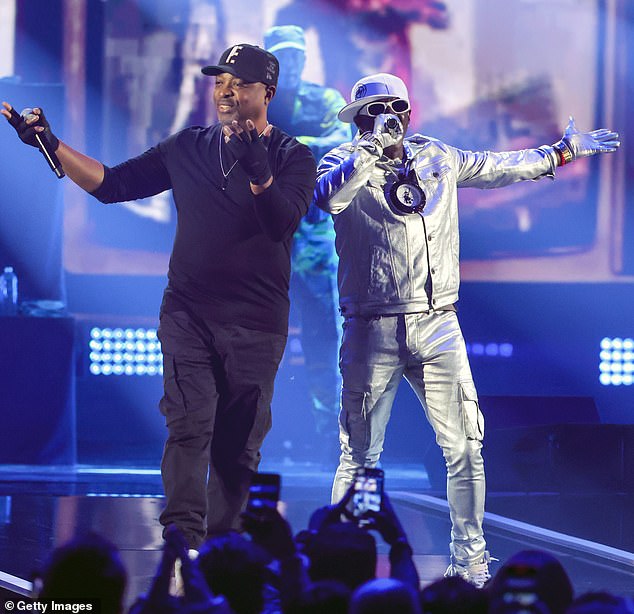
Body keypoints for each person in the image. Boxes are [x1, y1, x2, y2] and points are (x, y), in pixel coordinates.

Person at [2, 43, 316, 550]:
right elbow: (112, 184)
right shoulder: (188, 146)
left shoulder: (293, 157)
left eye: (238, 82)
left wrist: (258, 169)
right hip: (188, 313)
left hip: (257, 323)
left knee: (237, 449)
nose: (226, 91)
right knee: (189, 425)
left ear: (268, 93)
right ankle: (182, 544)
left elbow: (281, 221)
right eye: (219, 82)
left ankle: (222, 548)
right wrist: (49, 144)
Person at [313, 72, 619, 587]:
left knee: (465, 448)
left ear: (408, 114)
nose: (384, 118)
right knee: (361, 454)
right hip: (371, 327)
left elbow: (502, 167)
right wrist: (369, 149)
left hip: (439, 325)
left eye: (392, 109)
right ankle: (345, 556)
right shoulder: (340, 161)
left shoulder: (438, 157)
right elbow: (327, 198)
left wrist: (563, 152)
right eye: (371, 111)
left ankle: (471, 560)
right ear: (358, 118)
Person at [264, 25, 351, 462]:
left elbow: (342, 146)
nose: (292, 64)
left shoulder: (324, 101)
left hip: (313, 240)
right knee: (260, 338)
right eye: (284, 57)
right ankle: (266, 429)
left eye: (297, 55)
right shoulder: (251, 104)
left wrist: (286, 146)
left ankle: (323, 433)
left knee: (322, 337)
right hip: (264, 240)